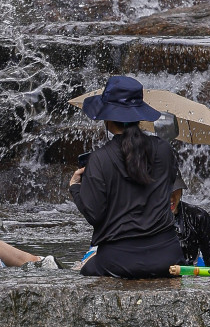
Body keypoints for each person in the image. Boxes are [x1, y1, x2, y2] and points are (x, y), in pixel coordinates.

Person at [69, 75, 182, 278]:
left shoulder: (100, 159)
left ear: (108, 118)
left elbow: (94, 215)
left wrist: (76, 187)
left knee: (86, 269)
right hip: (168, 258)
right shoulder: (164, 150)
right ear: (139, 115)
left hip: (118, 261)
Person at [171, 174, 210, 266]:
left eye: (175, 190)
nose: (171, 196)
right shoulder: (142, 218)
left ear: (181, 189)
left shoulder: (198, 217)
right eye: (165, 190)